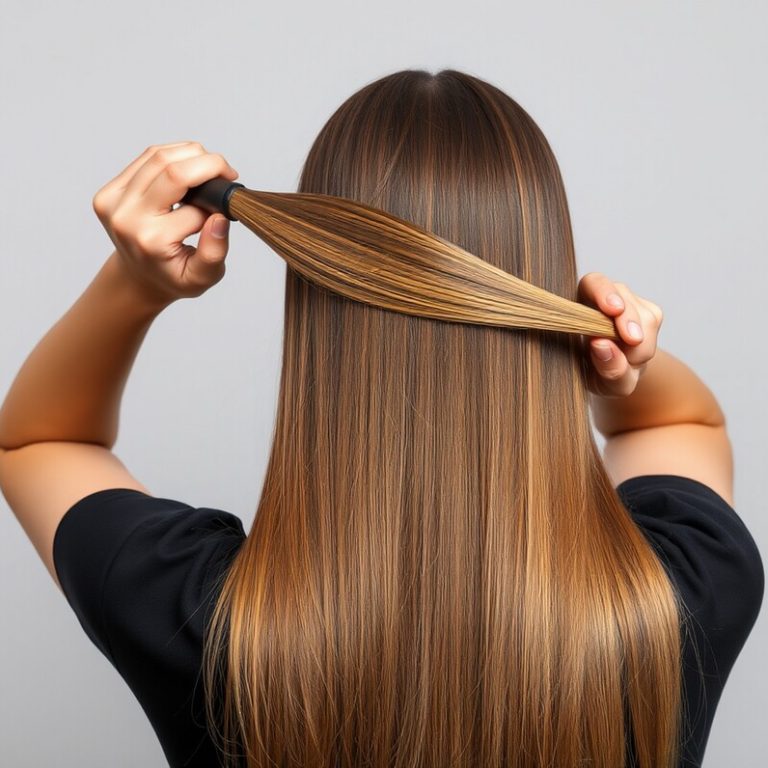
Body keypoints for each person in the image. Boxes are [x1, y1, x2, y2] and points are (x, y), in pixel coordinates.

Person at [0, 69, 762, 768]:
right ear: (540, 269)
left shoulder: (201, 619)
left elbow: (38, 441)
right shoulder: (682, 597)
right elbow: (678, 427)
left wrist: (132, 285)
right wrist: (620, 363)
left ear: (315, 306)